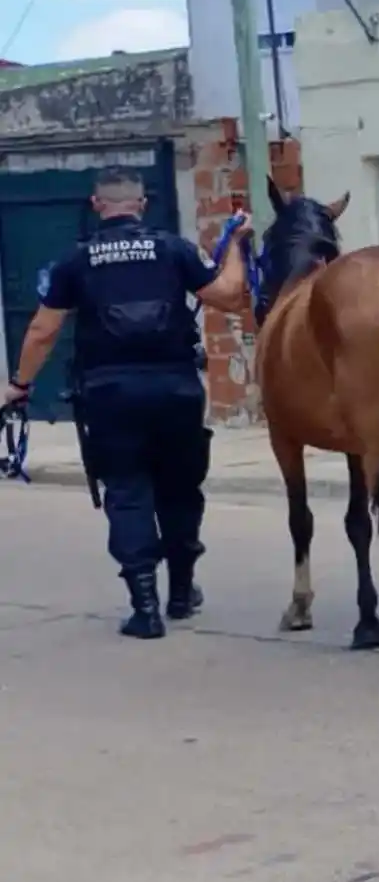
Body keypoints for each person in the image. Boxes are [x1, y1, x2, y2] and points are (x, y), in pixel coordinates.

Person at [2, 166, 251, 639]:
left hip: (110, 395)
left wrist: (19, 385)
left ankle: (146, 608)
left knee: (128, 492)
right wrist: (236, 242)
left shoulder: (75, 261)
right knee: (180, 489)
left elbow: (43, 330)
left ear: (97, 206)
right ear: (142, 204)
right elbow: (230, 297)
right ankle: (182, 593)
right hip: (176, 390)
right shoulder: (173, 249)